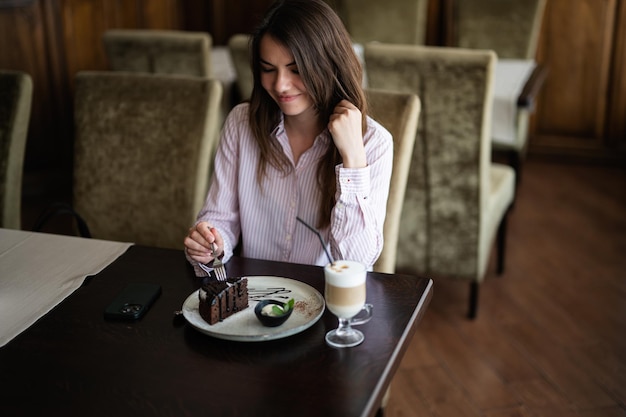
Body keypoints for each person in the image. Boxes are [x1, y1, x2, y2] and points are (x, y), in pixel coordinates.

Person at [184, 0, 393, 276]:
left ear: (329, 65)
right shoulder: (240, 123)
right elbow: (220, 219)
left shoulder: (373, 143)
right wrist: (211, 244)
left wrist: (352, 158)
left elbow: (356, 261)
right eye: (268, 69)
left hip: (325, 302)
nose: (280, 85)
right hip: (255, 300)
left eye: (296, 69)